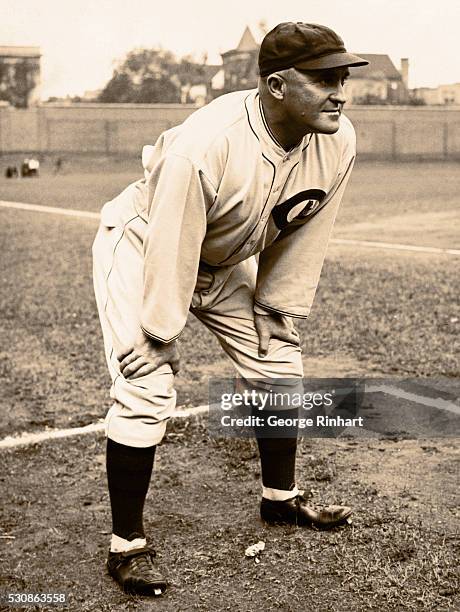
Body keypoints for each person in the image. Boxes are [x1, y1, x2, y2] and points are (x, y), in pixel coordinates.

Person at [92, 21, 368, 596]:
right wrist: (158, 329)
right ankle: (127, 547)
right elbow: (171, 233)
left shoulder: (337, 141)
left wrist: (275, 302)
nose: (339, 91)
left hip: (218, 259)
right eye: (322, 79)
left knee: (278, 363)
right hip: (146, 243)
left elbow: (306, 222)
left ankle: (280, 500)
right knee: (146, 385)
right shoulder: (207, 141)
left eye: (342, 77)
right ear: (275, 85)